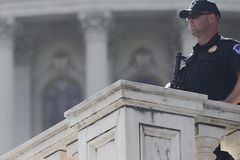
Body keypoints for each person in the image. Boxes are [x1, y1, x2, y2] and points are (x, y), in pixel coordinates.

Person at [176, 0, 240, 159]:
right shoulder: (189, 63)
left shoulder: (229, 48)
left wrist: (224, 107)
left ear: (212, 18)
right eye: (188, 17)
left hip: (227, 132)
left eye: (195, 15)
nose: (190, 20)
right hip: (196, 137)